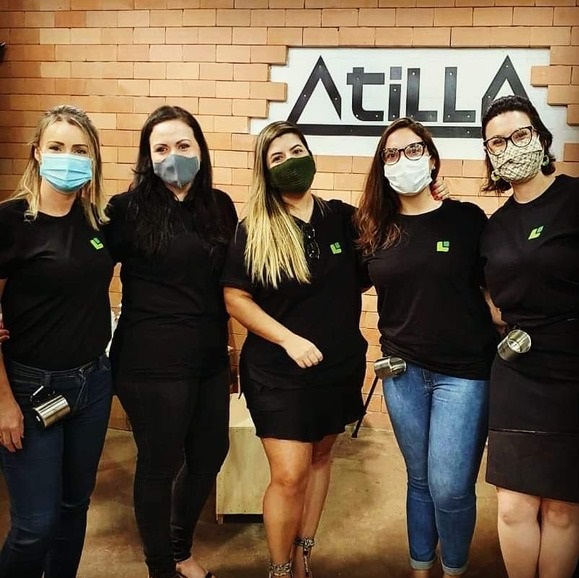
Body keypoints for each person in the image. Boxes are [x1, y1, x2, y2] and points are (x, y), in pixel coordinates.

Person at [221, 120, 369, 578]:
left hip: (337, 368)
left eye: (296, 151)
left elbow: (392, 243)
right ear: (264, 171)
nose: (290, 163)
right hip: (277, 373)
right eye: (277, 157)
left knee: (321, 459)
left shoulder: (342, 218)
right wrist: (288, 339)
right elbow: (235, 298)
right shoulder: (253, 230)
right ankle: (280, 568)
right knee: (289, 474)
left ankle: (304, 553)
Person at [355, 117, 497, 577]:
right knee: (418, 479)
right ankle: (421, 567)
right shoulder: (374, 229)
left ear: (432, 159)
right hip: (402, 372)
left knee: (450, 486)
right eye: (391, 154)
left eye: (413, 149)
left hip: (464, 374)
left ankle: (453, 568)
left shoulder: (467, 220)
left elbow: (496, 290)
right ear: (382, 166)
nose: (403, 160)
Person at [105, 105, 237, 578]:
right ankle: (162, 566)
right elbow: (83, 265)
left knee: (210, 453)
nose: (173, 156)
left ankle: (180, 548)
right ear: (148, 156)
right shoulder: (125, 209)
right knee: (159, 464)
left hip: (207, 357)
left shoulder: (219, 205)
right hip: (150, 360)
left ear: (200, 149)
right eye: (160, 148)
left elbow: (229, 282)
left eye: (183, 145)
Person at [0, 105, 114, 578]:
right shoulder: (10, 221)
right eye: (57, 147)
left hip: (93, 383)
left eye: (80, 150)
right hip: (29, 388)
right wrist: (3, 401)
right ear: (37, 152)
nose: (68, 157)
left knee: (74, 506)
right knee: (35, 525)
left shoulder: (98, 222)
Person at [479, 94, 579, 578]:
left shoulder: (574, 199)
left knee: (562, 507)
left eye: (519, 134)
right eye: (496, 142)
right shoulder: (494, 227)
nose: (510, 147)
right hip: (517, 369)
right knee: (513, 506)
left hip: (572, 369)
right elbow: (485, 290)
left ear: (540, 136)